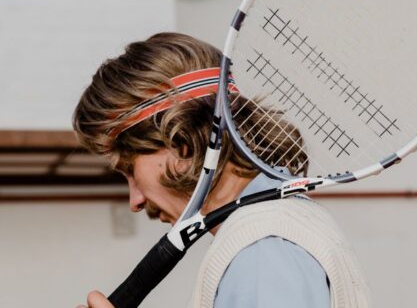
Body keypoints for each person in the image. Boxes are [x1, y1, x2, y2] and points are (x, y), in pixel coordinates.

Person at [74, 32, 369, 308]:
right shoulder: (269, 235)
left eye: (129, 169)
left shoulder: (262, 253)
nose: (134, 201)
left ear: (181, 141)